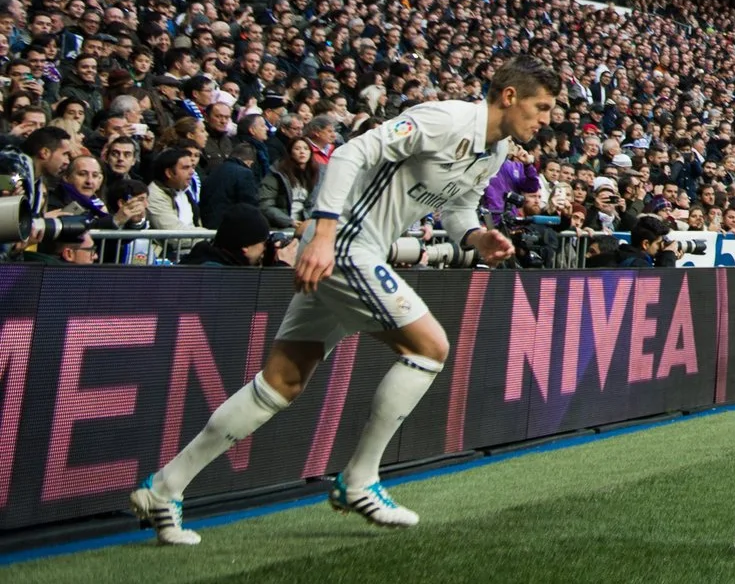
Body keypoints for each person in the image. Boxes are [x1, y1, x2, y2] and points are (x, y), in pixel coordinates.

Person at [131, 56, 561, 546]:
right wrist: (324, 233)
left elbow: (460, 206)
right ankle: (360, 479)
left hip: (358, 247)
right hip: (343, 244)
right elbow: (348, 154)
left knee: (280, 383)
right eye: (540, 107)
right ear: (509, 96)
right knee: (429, 348)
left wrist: (477, 238)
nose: (545, 120)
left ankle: (165, 487)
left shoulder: (496, 148)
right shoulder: (445, 119)